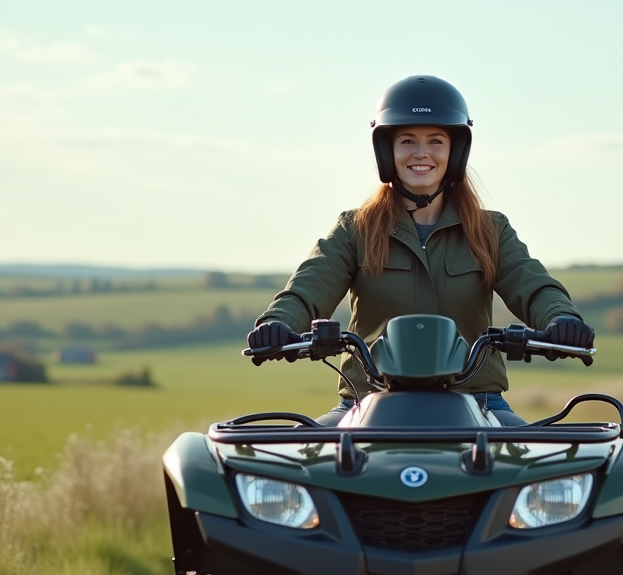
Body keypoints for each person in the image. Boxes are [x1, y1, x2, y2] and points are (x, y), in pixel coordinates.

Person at [247, 75, 594, 426]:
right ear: (387, 152)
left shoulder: (491, 230)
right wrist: (279, 322)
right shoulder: (355, 229)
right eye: (407, 140)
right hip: (369, 400)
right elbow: (308, 288)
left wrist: (560, 318)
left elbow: (532, 284)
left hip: (478, 402)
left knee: (531, 465)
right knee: (305, 461)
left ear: (455, 151)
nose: (421, 152)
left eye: (436, 140)